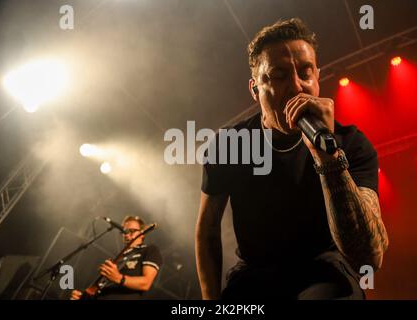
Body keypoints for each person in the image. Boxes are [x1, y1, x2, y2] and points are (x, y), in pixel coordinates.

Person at [195, 18, 389, 300]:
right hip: (255, 275)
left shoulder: (350, 143)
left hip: (324, 272)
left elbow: (369, 257)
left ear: (318, 77)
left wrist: (328, 158)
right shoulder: (229, 144)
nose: (297, 87)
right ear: (255, 89)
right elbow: (207, 231)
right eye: (279, 75)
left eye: (305, 73)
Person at [71, 215, 162, 300]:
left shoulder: (149, 250)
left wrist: (118, 278)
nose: (126, 234)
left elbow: (146, 283)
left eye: (132, 231)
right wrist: (84, 296)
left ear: (142, 234)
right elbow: (101, 287)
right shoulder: (117, 258)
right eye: (124, 231)